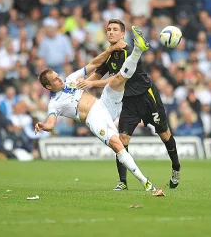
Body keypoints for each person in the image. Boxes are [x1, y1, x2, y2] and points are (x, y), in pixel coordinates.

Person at [35, 26, 158, 192]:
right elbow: (50, 124)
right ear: (49, 87)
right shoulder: (54, 104)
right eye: (55, 80)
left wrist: (111, 50)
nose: (59, 79)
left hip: (103, 103)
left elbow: (92, 65)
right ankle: (146, 182)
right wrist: (43, 126)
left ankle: (137, 50)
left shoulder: (70, 79)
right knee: (117, 144)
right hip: (93, 118)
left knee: (117, 79)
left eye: (58, 76)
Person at [77, 19, 181, 191]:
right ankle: (123, 182)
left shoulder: (129, 52)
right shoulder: (109, 54)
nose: (110, 32)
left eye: (115, 29)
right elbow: (98, 74)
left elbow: (117, 78)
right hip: (128, 102)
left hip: (147, 97)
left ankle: (176, 168)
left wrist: (90, 85)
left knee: (164, 134)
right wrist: (82, 85)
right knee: (122, 139)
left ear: (122, 34)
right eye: (108, 29)